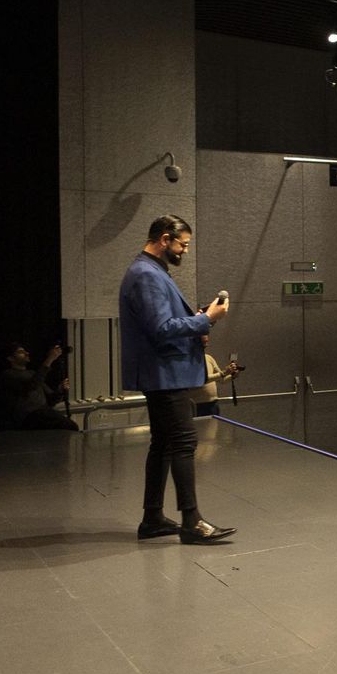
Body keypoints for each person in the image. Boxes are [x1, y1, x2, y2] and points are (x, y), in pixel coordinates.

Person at [118, 214, 235, 545]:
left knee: (164, 444)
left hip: (162, 372)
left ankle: (152, 518)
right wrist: (206, 320)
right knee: (183, 442)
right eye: (182, 244)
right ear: (165, 239)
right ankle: (191, 522)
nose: (184, 251)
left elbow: (165, 323)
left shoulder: (149, 271)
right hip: (164, 373)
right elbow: (160, 329)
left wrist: (196, 322)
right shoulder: (146, 274)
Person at [0, 342, 76, 430]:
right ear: (10, 358)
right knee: (69, 426)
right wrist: (50, 359)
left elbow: (52, 399)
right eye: (21, 352)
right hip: (28, 416)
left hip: (43, 412)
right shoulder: (8, 375)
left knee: (69, 426)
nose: (27, 353)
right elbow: (32, 385)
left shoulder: (32, 373)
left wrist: (60, 390)